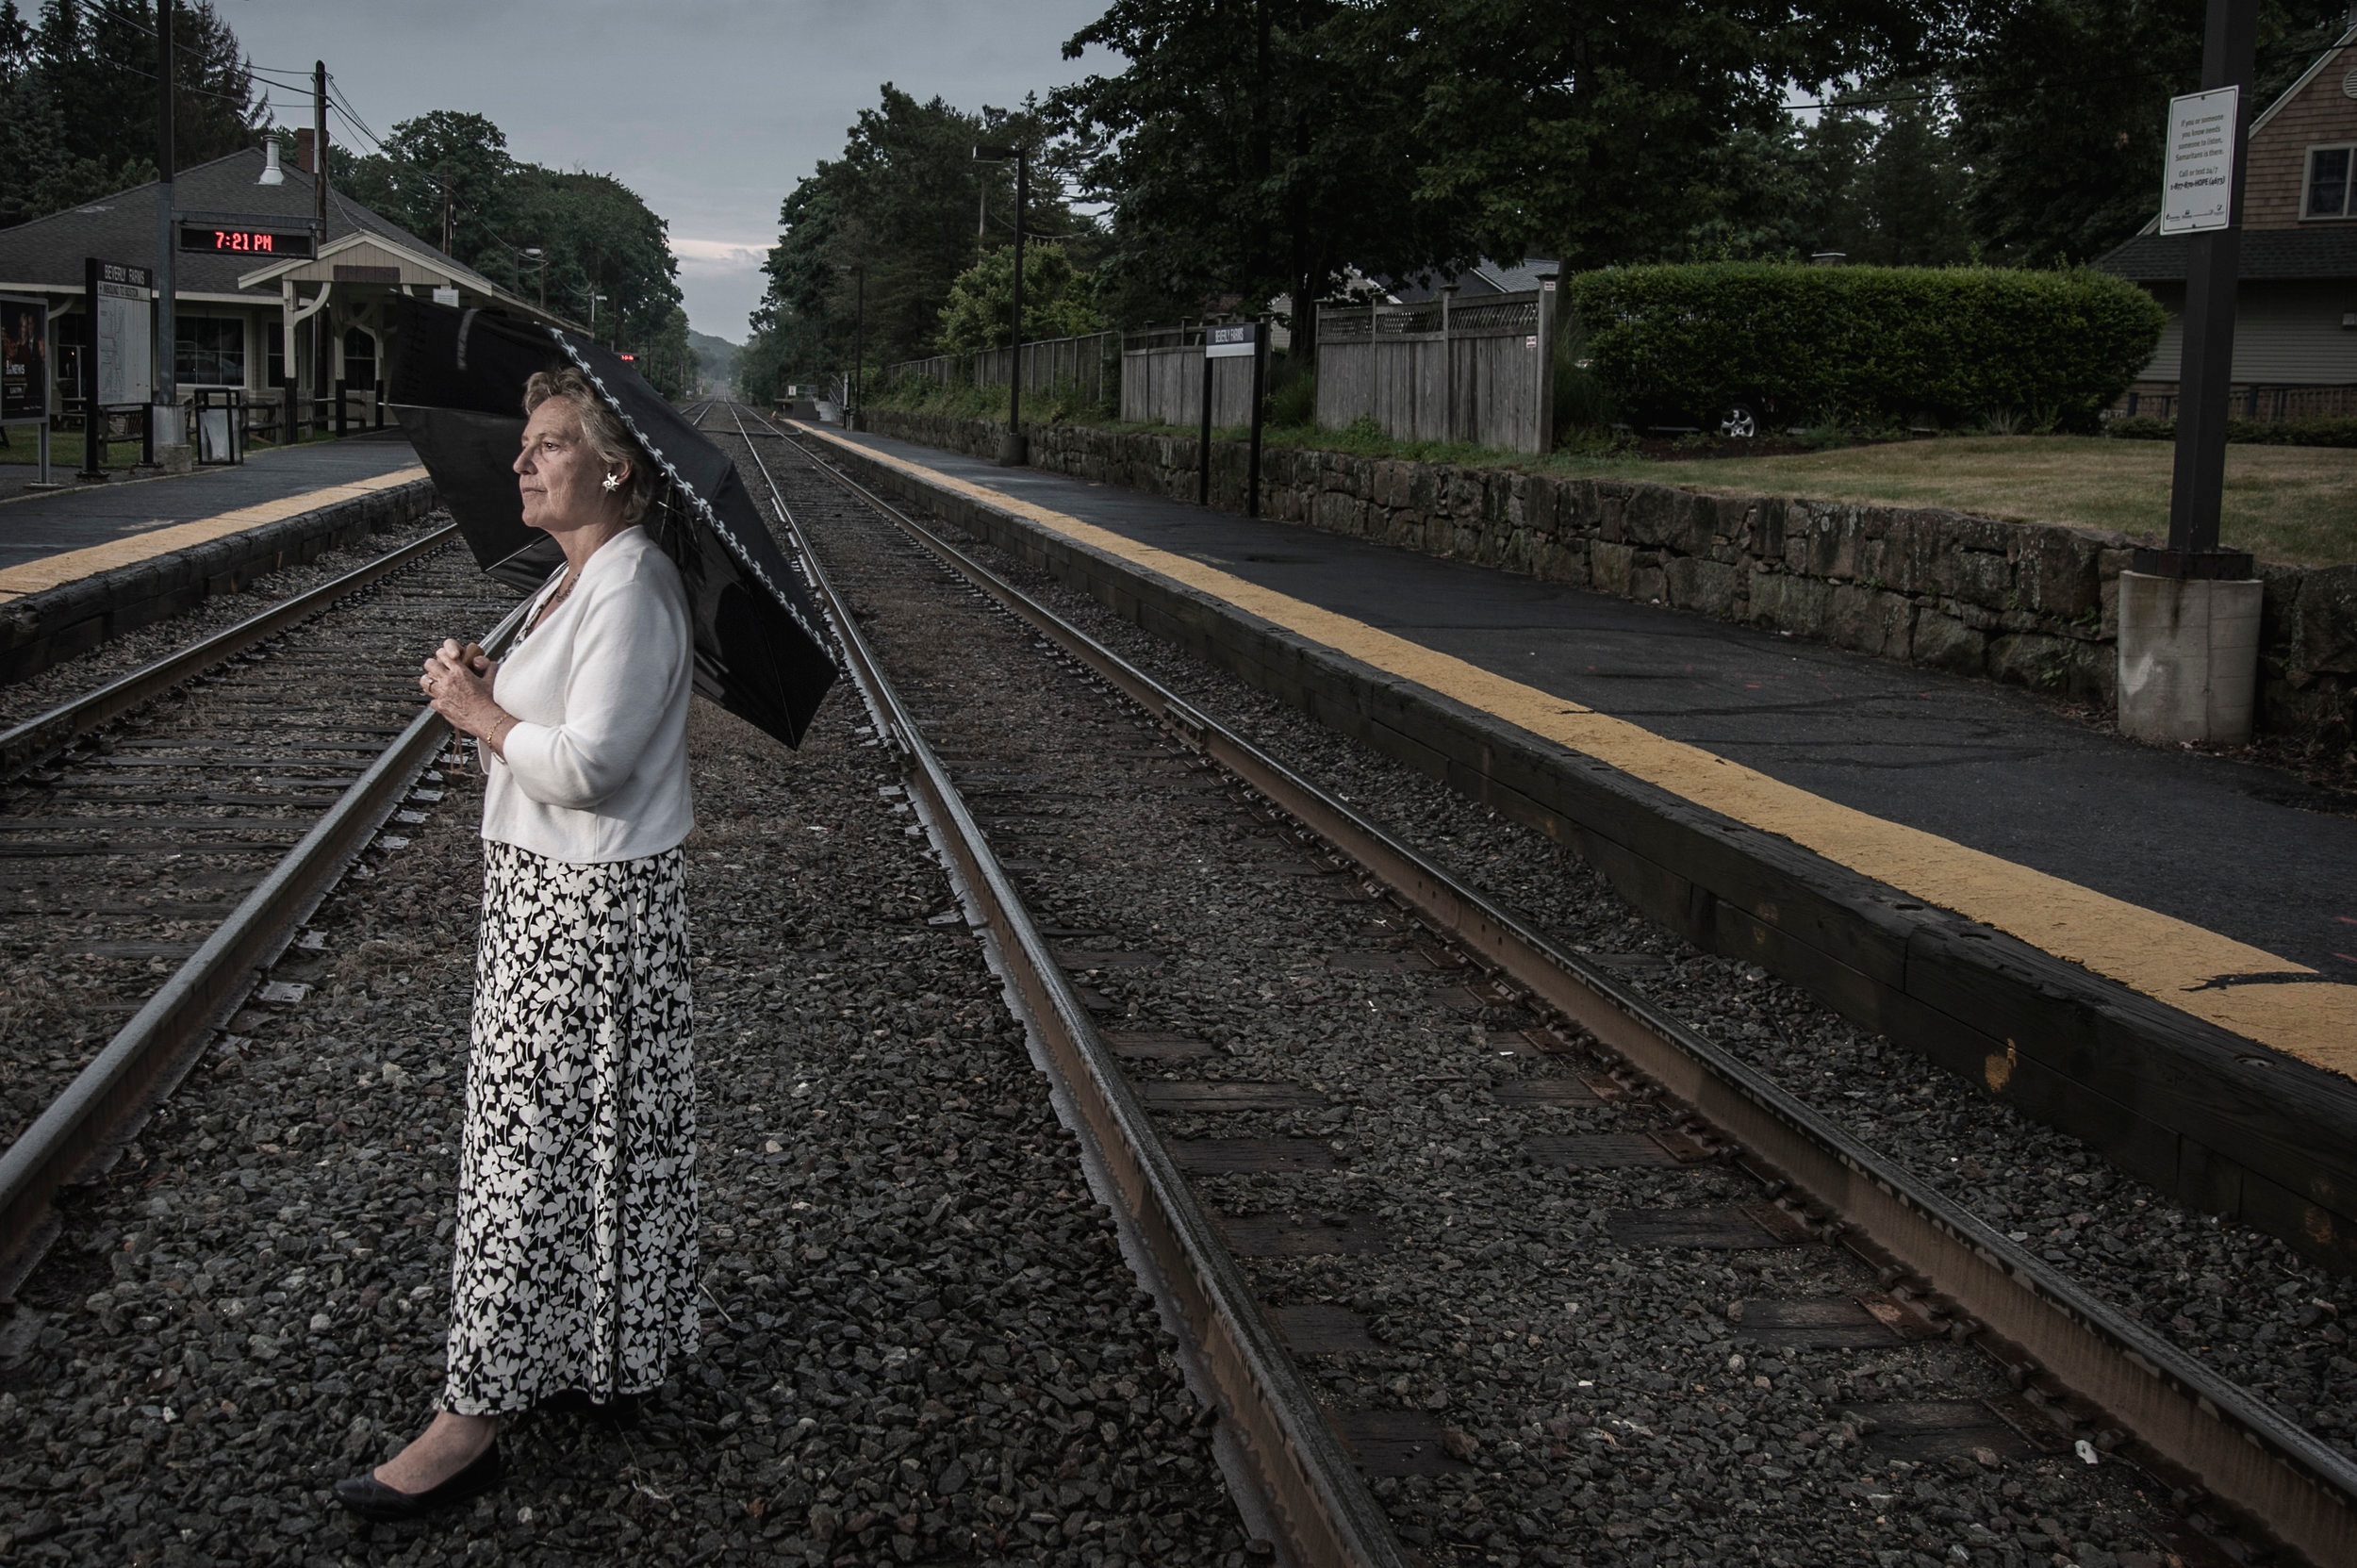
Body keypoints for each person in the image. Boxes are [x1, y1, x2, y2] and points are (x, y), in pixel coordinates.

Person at [335, 366, 699, 1521]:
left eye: (548, 443)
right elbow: (567, 736)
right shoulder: (578, 582)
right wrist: (501, 699)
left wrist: (477, 715)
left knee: (524, 1152)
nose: (523, 462)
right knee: (599, 1137)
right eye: (528, 444)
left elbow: (593, 769)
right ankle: (611, 1353)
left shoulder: (630, 586)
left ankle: (472, 1418)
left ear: (614, 466)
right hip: (560, 901)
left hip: (583, 913)